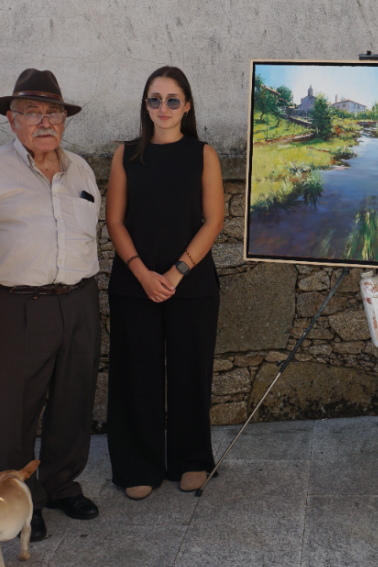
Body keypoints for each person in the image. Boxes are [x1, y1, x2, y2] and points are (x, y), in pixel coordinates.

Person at [0, 69, 102, 541]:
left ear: (65, 120)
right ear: (11, 119)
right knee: (13, 409)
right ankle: (20, 500)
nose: (45, 122)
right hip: (14, 307)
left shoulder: (81, 169)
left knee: (73, 400)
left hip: (79, 301)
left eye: (54, 113)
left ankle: (61, 484)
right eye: (33, 113)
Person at [104, 66, 224, 499]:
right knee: (137, 374)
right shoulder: (126, 155)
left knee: (191, 373)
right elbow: (114, 220)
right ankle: (138, 463)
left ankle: (192, 460)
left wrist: (176, 272)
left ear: (187, 105)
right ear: (145, 106)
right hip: (134, 284)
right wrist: (141, 273)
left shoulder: (203, 154)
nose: (164, 108)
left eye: (173, 100)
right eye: (155, 100)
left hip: (190, 284)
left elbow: (214, 220)